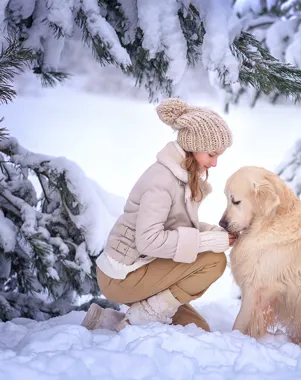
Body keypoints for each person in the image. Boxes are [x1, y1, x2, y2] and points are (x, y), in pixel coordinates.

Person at [81, 98, 235, 332]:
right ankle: (142, 316)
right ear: (194, 146)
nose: (214, 163)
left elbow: (173, 227)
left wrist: (211, 232)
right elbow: (149, 240)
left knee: (197, 328)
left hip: (144, 266)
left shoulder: (184, 176)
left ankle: (108, 321)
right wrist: (205, 242)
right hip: (122, 275)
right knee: (214, 260)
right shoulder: (162, 181)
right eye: (212, 155)